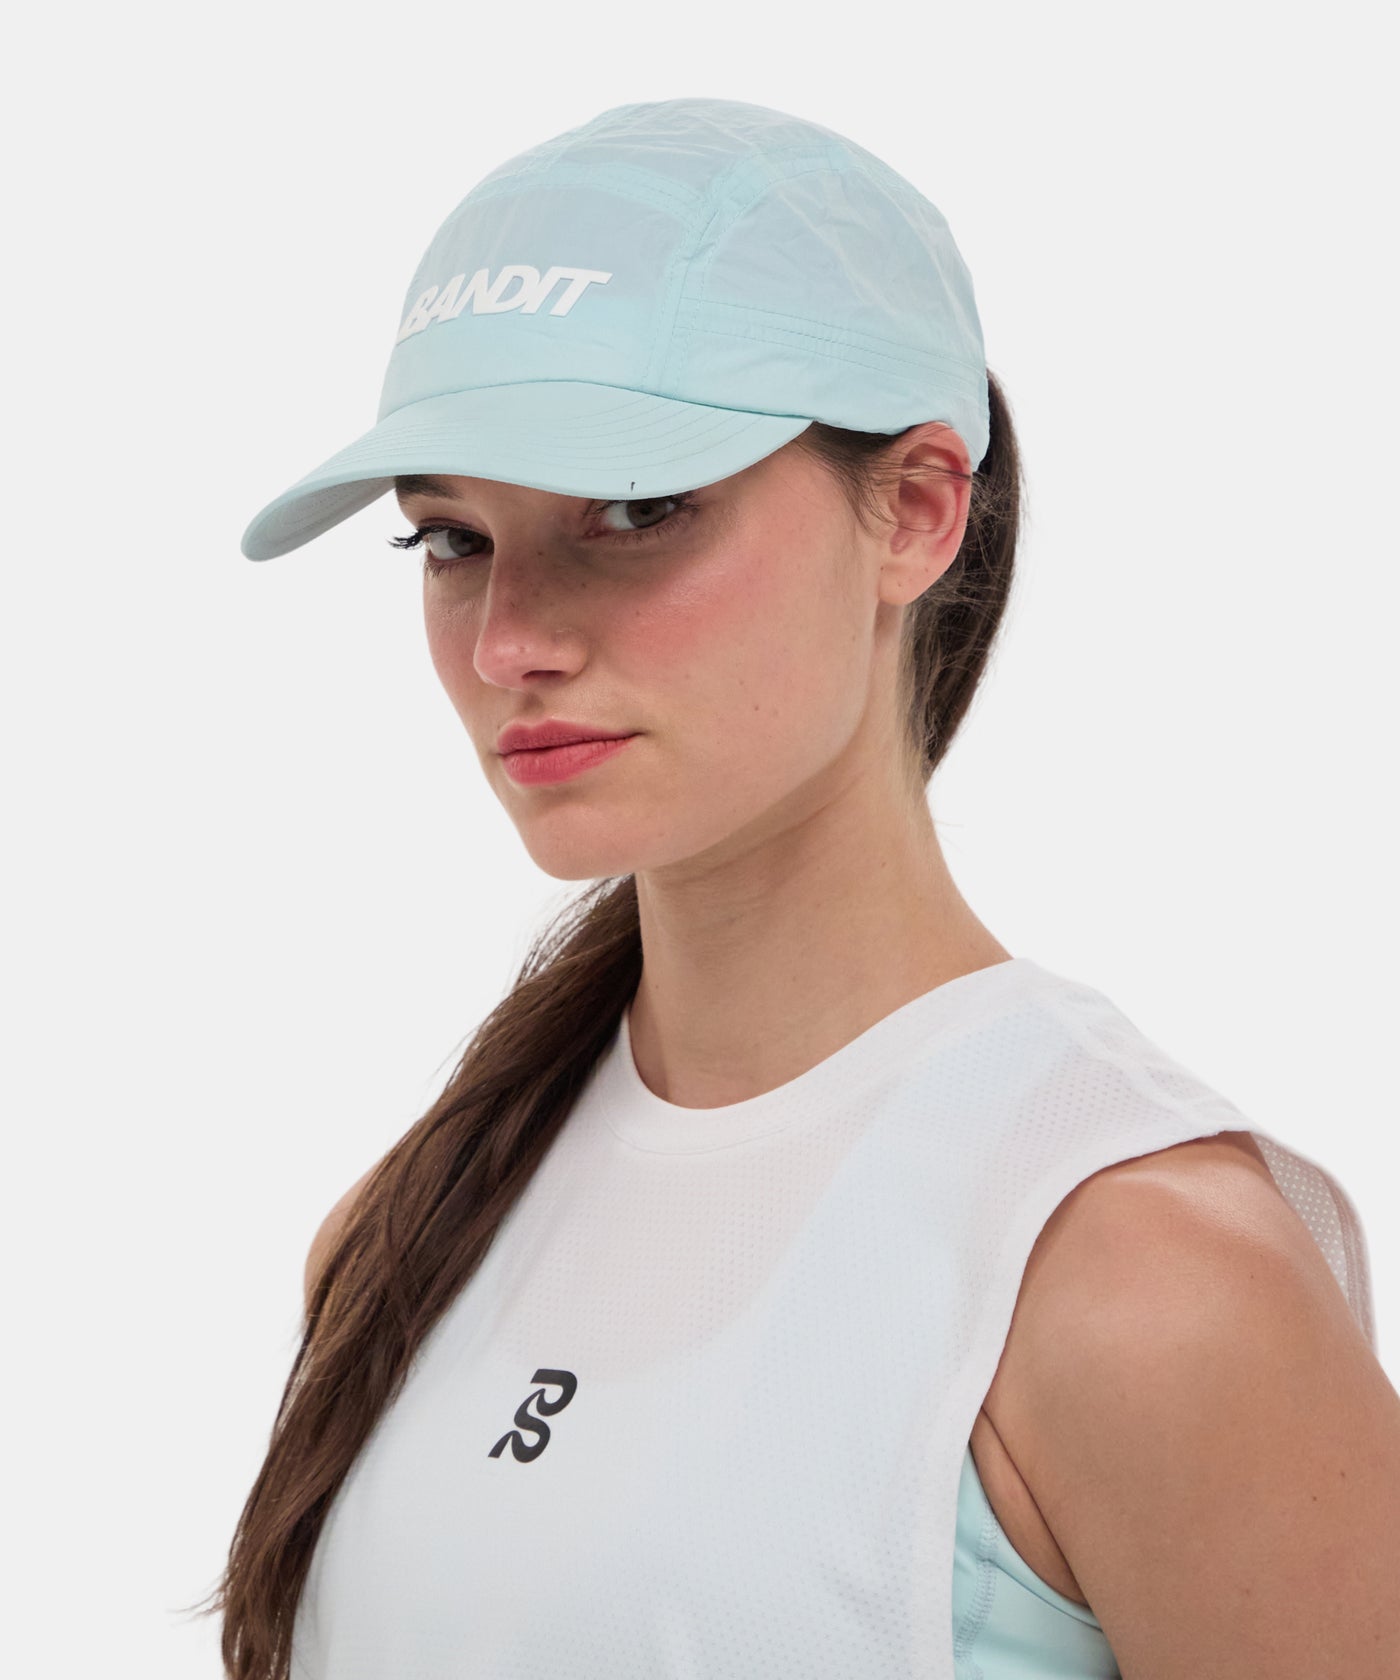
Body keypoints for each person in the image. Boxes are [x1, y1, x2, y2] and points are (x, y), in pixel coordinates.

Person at [191, 98, 1399, 1679]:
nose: (509, 642)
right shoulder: (401, 1239)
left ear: (917, 509)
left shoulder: (1141, 1282)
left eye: (635, 511)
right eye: (452, 539)